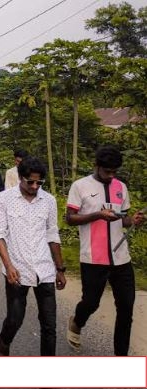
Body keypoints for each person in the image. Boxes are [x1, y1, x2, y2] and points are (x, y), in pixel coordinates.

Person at [66, 146, 144, 355]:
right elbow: (70, 219)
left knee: (126, 309)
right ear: (97, 166)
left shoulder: (121, 187)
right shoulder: (80, 186)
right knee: (91, 303)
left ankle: (121, 358)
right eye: (107, 171)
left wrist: (133, 221)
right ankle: (77, 321)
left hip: (121, 258)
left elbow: (123, 219)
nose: (111, 176)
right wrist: (97, 215)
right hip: (93, 257)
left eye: (114, 172)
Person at [0, 157, 66, 356]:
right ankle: (3, 344)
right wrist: (8, 266)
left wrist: (60, 269)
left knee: (49, 325)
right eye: (30, 182)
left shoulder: (49, 201)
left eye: (39, 183)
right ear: (20, 178)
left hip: (45, 269)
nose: (34, 186)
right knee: (15, 318)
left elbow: (52, 234)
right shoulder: (4, 199)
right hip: (17, 269)